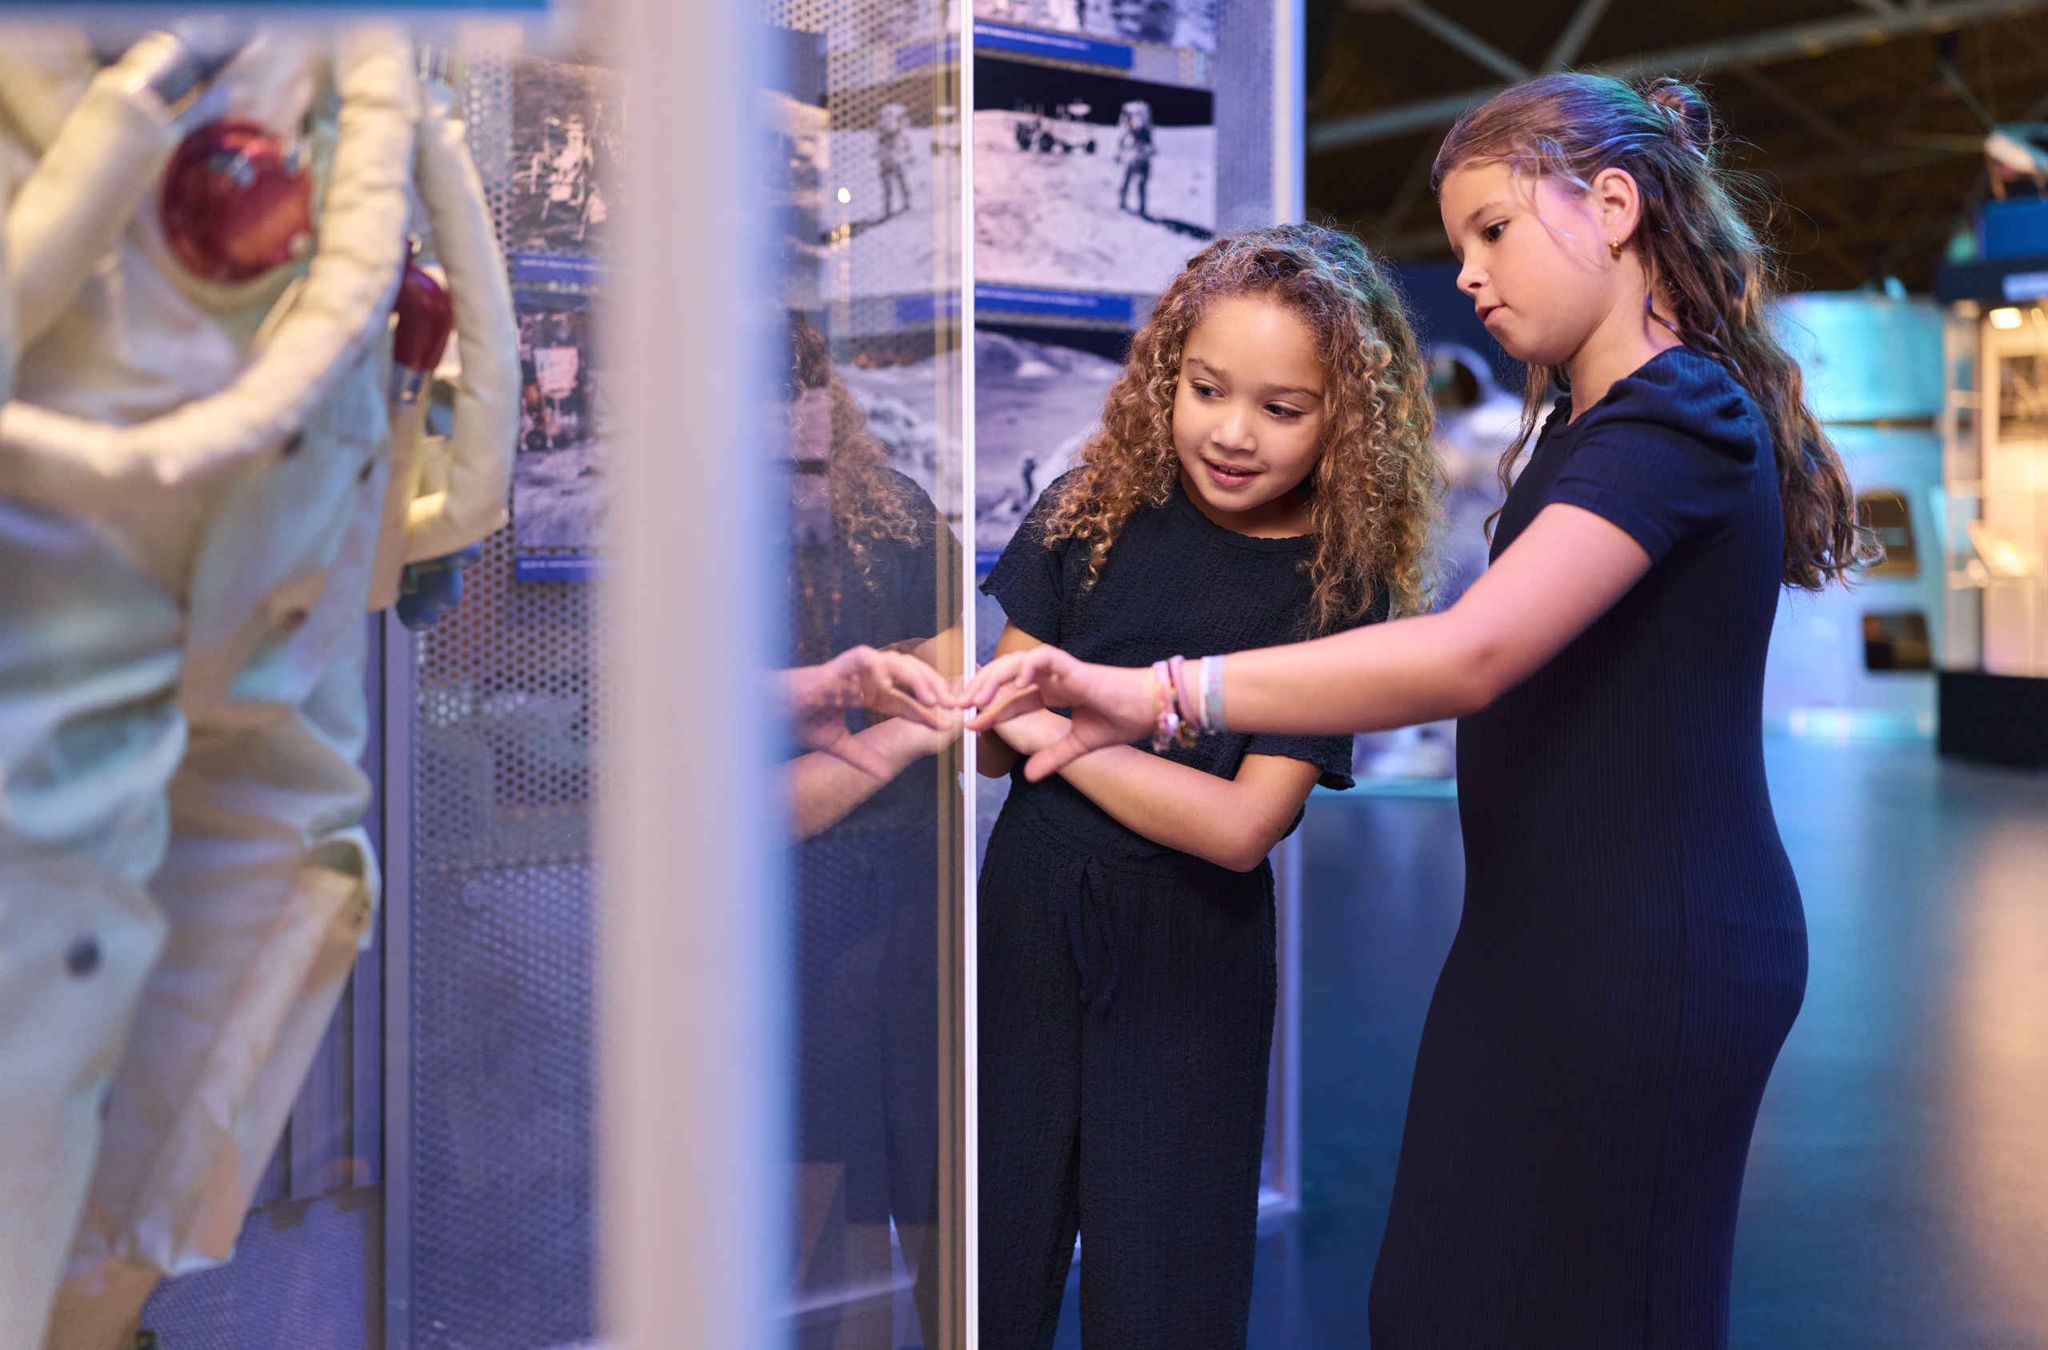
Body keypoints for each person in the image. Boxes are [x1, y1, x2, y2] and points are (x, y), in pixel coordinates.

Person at [963, 73, 1874, 1349]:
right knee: (1440, 1305)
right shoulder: (1583, 426)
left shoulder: (1679, 419)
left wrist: (1153, 693)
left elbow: (1468, 654)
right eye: (1456, 247)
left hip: (1650, 947)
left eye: (1491, 232)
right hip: (1537, 937)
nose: (1470, 278)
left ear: (1611, 206)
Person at [974, 223, 1443, 1348]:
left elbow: (1238, 828)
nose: (1231, 434)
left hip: (1192, 960)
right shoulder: (1088, 511)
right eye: (1203, 390)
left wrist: (1076, 729)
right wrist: (1052, 722)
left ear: (1346, 421)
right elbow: (993, 737)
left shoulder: (1338, 585)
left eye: (1281, 411)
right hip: (1028, 922)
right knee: (995, 1249)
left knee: (1165, 1279)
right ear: (1163, 379)